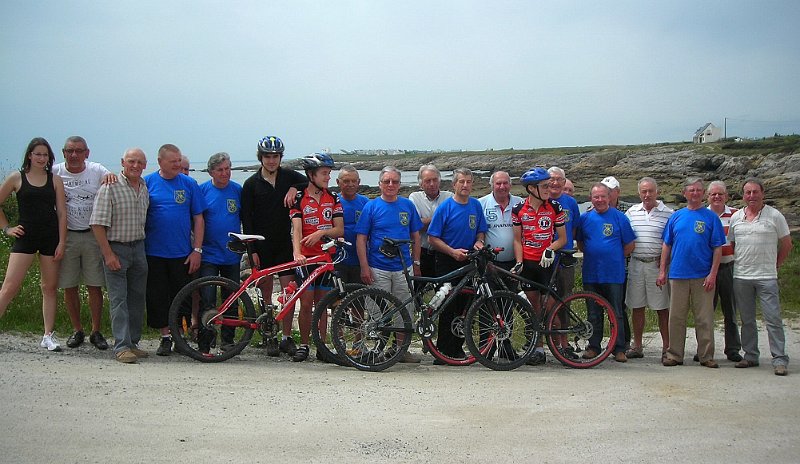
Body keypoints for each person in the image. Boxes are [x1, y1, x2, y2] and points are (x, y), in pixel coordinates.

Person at [240, 136, 307, 357]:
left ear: (280, 157)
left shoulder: (288, 176)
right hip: (261, 245)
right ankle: (269, 336)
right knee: (266, 294)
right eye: (267, 156)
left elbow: (309, 181)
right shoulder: (251, 184)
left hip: (283, 244)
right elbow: (246, 218)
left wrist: (294, 188)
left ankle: (287, 338)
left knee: (289, 293)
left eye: (275, 156)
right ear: (261, 157)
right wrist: (252, 252)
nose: (271, 161)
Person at [0, 137, 67, 351]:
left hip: (50, 237)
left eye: (45, 155)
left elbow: (62, 214)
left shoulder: (55, 180)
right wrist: (6, 228)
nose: (41, 158)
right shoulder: (16, 178)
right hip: (25, 236)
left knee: (49, 287)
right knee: (9, 287)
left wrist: (62, 242)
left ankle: (48, 335)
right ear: (30, 155)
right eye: (37, 154)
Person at [355, 166, 423, 363]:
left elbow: (416, 236)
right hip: (378, 267)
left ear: (400, 184)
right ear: (380, 184)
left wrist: (416, 262)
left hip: (403, 268)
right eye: (387, 182)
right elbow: (361, 239)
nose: (391, 185)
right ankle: (377, 350)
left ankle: (400, 351)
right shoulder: (371, 206)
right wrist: (364, 267)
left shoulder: (407, 206)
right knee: (378, 313)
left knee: (405, 311)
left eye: (394, 181)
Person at [144, 144, 207, 356]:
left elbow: (199, 218)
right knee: (158, 297)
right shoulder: (148, 183)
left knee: (184, 297)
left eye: (179, 161)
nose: (178, 165)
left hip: (182, 253)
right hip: (154, 252)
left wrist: (197, 249)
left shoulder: (189, 184)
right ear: (160, 161)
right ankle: (165, 337)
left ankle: (181, 335)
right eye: (173, 162)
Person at [89, 148, 150, 363]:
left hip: (138, 248)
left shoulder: (143, 187)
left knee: (136, 298)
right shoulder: (110, 187)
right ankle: (121, 346)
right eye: (131, 161)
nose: (135, 166)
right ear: (123, 162)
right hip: (116, 248)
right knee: (118, 300)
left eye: (140, 162)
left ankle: (133, 342)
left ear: (145, 165)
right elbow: (97, 224)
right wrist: (108, 254)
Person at [658, 177, 725, 368]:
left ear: (703, 194)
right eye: (691, 190)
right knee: (676, 317)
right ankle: (674, 354)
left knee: (704, 318)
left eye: (698, 190)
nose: (695, 193)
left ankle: (706, 356)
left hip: (702, 275)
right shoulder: (676, 216)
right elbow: (666, 245)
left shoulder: (711, 217)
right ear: (685, 193)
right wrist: (662, 270)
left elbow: (717, 248)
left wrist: (713, 274)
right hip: (678, 274)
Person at [51, 136, 111, 350]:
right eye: (70, 151)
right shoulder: (55, 172)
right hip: (67, 236)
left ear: (87, 153)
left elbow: (114, 179)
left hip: (93, 234)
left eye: (78, 151)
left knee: (95, 285)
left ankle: (96, 331)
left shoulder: (96, 170)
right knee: (69, 285)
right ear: (63, 152)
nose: (74, 155)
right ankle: (77, 330)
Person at [729, 178, 793, 376]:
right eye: (747, 193)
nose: (751, 196)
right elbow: (732, 244)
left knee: (772, 318)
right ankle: (750, 356)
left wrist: (777, 264)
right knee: (746, 319)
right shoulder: (736, 217)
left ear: (763, 194)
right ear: (743, 195)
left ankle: (779, 359)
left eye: (755, 192)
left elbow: (787, 244)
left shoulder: (775, 216)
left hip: (766, 276)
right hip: (741, 276)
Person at [428, 168, 487, 362]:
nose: (465, 185)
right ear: (454, 185)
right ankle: (443, 350)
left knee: (466, 306)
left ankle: (458, 348)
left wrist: (479, 242)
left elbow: (481, 232)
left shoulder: (476, 206)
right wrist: (452, 252)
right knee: (446, 305)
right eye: (461, 181)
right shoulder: (445, 207)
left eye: (469, 182)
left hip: (468, 260)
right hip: (447, 260)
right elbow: (433, 237)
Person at [289, 153, 344, 362]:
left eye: (329, 174)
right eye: (324, 173)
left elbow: (339, 230)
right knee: (305, 304)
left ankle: (321, 345)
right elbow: (296, 229)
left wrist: (321, 233)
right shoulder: (299, 198)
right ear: (311, 175)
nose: (328, 177)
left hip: (325, 258)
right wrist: (297, 253)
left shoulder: (333, 198)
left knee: (323, 305)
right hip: (306, 260)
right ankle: (304, 344)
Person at [512, 168, 568, 365]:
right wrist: (519, 262)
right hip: (528, 263)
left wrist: (551, 248)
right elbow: (517, 240)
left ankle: (561, 348)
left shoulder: (555, 207)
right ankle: (539, 349)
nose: (549, 188)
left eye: (549, 184)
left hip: (547, 263)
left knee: (551, 308)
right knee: (534, 308)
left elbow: (563, 238)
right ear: (531, 188)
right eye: (544, 186)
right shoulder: (518, 210)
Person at [576, 183, 636, 363]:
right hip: (591, 273)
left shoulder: (620, 218)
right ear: (590, 199)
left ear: (609, 197)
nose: (600, 200)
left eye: (603, 196)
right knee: (593, 313)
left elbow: (630, 245)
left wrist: (614, 257)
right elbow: (580, 243)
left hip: (614, 274)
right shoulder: (585, 218)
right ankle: (594, 346)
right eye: (596, 197)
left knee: (616, 312)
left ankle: (619, 348)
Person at [197, 152, 243, 352]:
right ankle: (205, 342)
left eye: (227, 169)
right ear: (211, 172)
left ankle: (227, 341)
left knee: (231, 299)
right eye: (220, 170)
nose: (225, 173)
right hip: (208, 254)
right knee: (207, 299)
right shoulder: (202, 191)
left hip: (231, 255)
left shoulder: (238, 190)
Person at [624, 177, 673, 359]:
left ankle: (667, 347)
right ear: (639, 193)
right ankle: (637, 346)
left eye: (650, 191)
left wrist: (664, 266)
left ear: (657, 192)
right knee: (637, 307)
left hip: (656, 265)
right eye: (643, 191)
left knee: (662, 308)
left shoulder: (668, 213)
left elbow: (671, 241)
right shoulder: (631, 212)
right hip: (636, 263)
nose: (647, 195)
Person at [705, 180, 742, 362]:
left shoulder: (736, 214)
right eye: (713, 194)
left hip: (729, 267)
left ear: (726, 196)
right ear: (708, 196)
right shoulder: (702, 215)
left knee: (731, 311)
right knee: (706, 313)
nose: (717, 197)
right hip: (707, 269)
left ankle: (733, 349)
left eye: (720, 194)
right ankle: (705, 349)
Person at [408, 164, 453, 282]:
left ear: (439, 181)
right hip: (423, 253)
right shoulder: (414, 197)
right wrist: (441, 219)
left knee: (445, 290)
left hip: (444, 253)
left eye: (435, 180)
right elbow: (416, 225)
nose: (432, 184)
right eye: (428, 181)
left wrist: (426, 221)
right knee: (418, 290)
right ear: (421, 184)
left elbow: (453, 224)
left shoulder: (449, 197)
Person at [478, 171, 522, 270]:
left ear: (510, 185)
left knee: (512, 286)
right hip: (490, 262)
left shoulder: (520, 203)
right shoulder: (480, 203)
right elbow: (477, 230)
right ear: (492, 186)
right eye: (498, 183)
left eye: (505, 183)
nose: (502, 187)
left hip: (515, 261)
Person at [335, 165, 369, 284]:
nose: (350, 184)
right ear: (338, 182)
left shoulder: (366, 203)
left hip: (359, 260)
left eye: (354, 181)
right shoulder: (333, 202)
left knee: (358, 299)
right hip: (337, 260)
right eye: (346, 181)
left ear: (359, 182)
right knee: (337, 300)